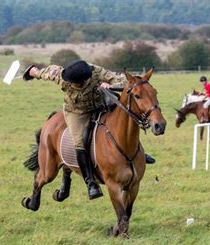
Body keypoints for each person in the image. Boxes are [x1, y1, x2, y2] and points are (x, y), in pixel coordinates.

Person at [23, 60, 156, 200]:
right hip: (77, 113)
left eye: (79, 83)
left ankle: (138, 155)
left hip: (100, 105)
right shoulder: (61, 76)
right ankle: (90, 182)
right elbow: (45, 73)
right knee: (79, 141)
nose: (76, 85)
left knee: (124, 122)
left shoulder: (96, 71)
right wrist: (33, 72)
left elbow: (121, 80)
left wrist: (111, 86)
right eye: (74, 83)